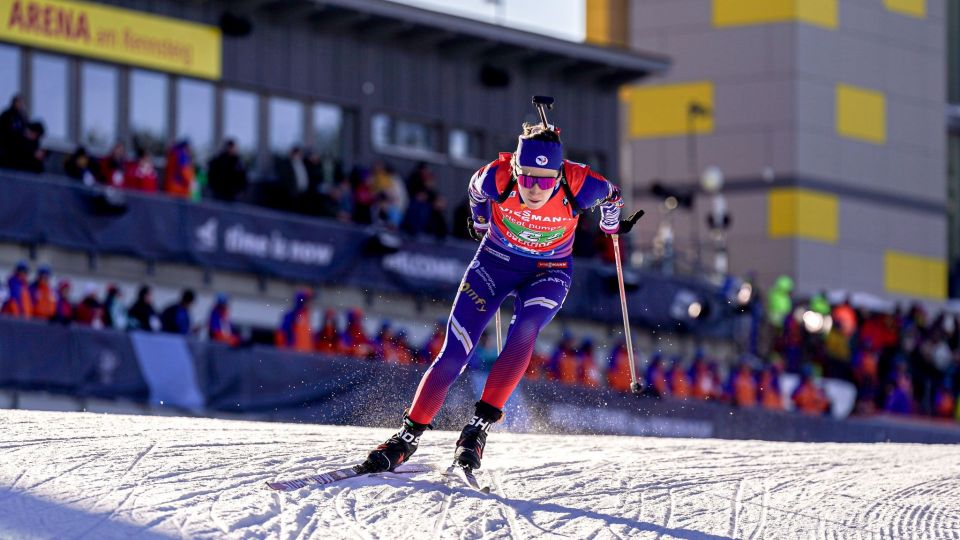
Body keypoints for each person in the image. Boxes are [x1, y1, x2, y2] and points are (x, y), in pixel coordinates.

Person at [360, 110, 643, 475]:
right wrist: (479, 220)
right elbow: (475, 191)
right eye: (527, 178)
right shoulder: (496, 176)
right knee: (456, 350)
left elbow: (613, 196)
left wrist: (610, 224)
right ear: (516, 171)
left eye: (545, 181)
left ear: (559, 175)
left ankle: (477, 429)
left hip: (550, 271)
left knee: (525, 329)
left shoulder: (581, 183)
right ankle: (407, 437)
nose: (535, 189)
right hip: (494, 264)